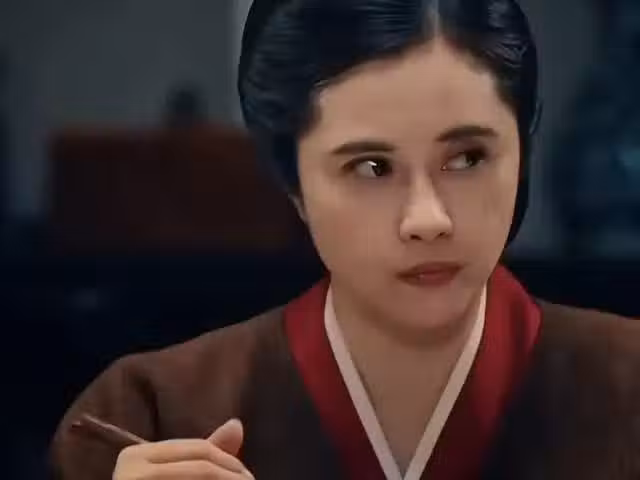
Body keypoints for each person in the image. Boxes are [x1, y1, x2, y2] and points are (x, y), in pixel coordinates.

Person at [50, 0, 640, 479]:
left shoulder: (628, 384)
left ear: (522, 150)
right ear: (294, 185)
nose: (427, 218)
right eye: (371, 168)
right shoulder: (150, 412)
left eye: (467, 157)